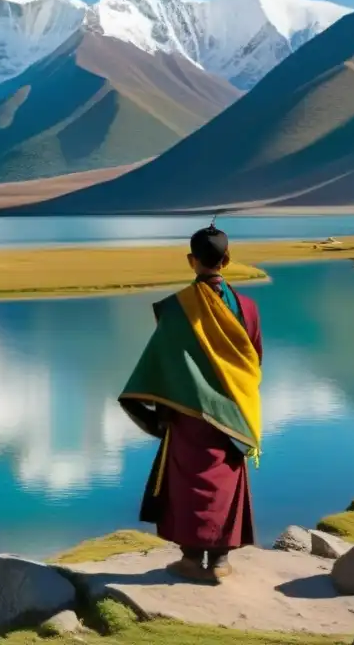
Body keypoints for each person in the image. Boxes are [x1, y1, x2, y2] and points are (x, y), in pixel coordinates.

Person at [118, 223, 263, 582]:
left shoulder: (177, 309)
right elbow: (253, 361)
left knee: (188, 484)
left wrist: (157, 414)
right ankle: (219, 563)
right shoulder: (247, 308)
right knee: (225, 483)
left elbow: (161, 362)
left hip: (187, 414)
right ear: (227, 260)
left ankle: (190, 559)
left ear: (191, 260)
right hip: (233, 414)